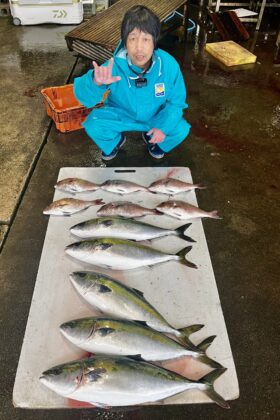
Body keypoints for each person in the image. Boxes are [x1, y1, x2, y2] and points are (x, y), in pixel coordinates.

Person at [74, 5, 190, 161]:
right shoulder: (112, 66)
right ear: (125, 42)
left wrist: (163, 127)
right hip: (121, 115)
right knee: (94, 124)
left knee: (180, 130)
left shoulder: (169, 65)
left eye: (146, 39)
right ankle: (116, 141)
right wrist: (95, 82)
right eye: (133, 39)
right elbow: (84, 98)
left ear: (155, 41)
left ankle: (154, 141)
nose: (139, 48)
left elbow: (177, 103)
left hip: (155, 116)